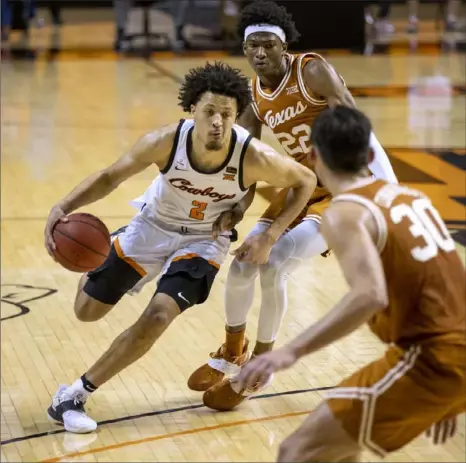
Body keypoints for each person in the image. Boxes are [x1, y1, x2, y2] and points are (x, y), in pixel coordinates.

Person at [43, 61, 317, 434]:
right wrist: (63, 208)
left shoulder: (253, 156)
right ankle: (108, 256)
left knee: (158, 316)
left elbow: (306, 180)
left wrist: (270, 235)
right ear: (192, 110)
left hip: (205, 240)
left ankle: (74, 394)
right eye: (209, 112)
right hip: (152, 225)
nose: (218, 122)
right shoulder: (165, 142)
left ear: (236, 116)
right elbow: (110, 176)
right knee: (86, 311)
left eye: (227, 114)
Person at [187, 0, 397, 411]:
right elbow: (248, 160)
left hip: (348, 185)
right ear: (245, 50)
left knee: (274, 260)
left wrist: (382, 194)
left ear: (285, 47)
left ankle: (258, 371)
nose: (260, 53)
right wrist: (236, 207)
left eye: (268, 45)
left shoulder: (311, 70)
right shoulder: (253, 94)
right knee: (245, 261)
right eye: (253, 47)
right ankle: (233, 351)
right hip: (306, 182)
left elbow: (355, 129)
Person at [235, 105, 466, 462]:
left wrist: (289, 351)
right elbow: (454, 281)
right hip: (447, 356)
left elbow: (369, 295)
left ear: (312, 157)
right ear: (371, 154)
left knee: (296, 451)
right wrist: (450, 393)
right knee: (339, 451)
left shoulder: (345, 212)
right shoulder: (413, 198)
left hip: (433, 360)